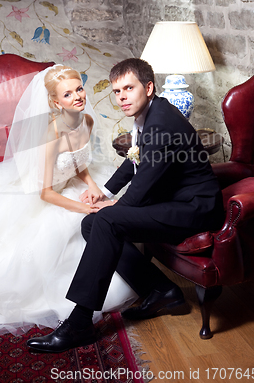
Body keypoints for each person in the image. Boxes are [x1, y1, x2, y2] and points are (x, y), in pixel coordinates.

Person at [27, 58, 224, 353]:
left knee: (104, 221)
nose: (121, 97)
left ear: (148, 87)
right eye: (117, 91)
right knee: (92, 221)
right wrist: (104, 193)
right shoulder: (149, 113)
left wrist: (113, 207)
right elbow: (134, 159)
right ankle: (161, 290)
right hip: (175, 200)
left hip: (195, 209)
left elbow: (142, 187)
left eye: (129, 88)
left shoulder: (161, 123)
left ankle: (79, 322)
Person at [0, 64, 136, 341]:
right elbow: (45, 193)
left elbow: (79, 161)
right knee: (73, 228)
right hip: (42, 191)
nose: (77, 97)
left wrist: (93, 186)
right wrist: (87, 207)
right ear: (54, 102)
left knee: (112, 220)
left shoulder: (87, 121)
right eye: (67, 94)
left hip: (70, 184)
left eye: (79, 89)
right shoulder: (49, 135)